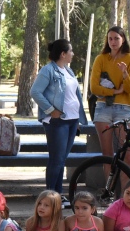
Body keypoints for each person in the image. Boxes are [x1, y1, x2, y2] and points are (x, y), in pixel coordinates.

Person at [30, 39, 88, 199]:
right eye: (71, 51)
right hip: (57, 121)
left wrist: (77, 120)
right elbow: (35, 92)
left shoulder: (68, 71)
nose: (73, 54)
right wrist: (50, 110)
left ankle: (58, 194)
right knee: (56, 159)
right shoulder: (48, 70)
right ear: (63, 54)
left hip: (72, 121)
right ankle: (49, 196)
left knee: (62, 159)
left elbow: (72, 95)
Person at [89, 26, 130, 173]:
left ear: (123, 39)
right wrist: (114, 91)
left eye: (116, 38)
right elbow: (94, 88)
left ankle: (126, 194)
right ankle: (108, 194)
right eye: (110, 38)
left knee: (126, 155)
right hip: (102, 108)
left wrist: (124, 73)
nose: (113, 42)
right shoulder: (101, 59)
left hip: (123, 109)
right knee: (107, 155)